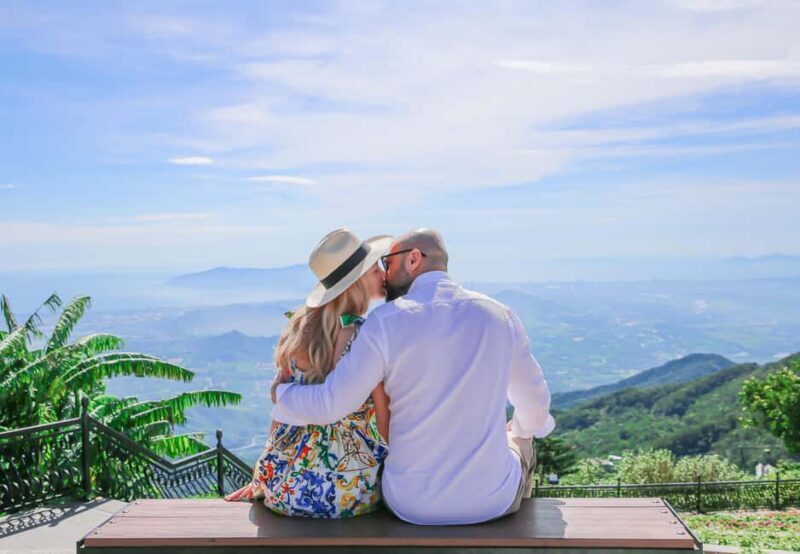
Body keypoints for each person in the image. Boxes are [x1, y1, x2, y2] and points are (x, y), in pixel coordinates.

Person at [271, 228, 555, 525]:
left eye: (388, 262)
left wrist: (282, 394)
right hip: (492, 502)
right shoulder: (500, 315)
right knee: (522, 440)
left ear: (414, 259)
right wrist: (518, 431)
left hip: (410, 504)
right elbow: (536, 407)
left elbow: (332, 403)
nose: (385, 272)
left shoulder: (383, 323)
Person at [225, 229, 392, 518]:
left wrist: (263, 474)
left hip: (286, 487)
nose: (382, 273)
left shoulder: (298, 329)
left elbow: (281, 409)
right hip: (347, 490)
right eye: (374, 268)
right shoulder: (365, 336)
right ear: (356, 282)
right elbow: (383, 415)